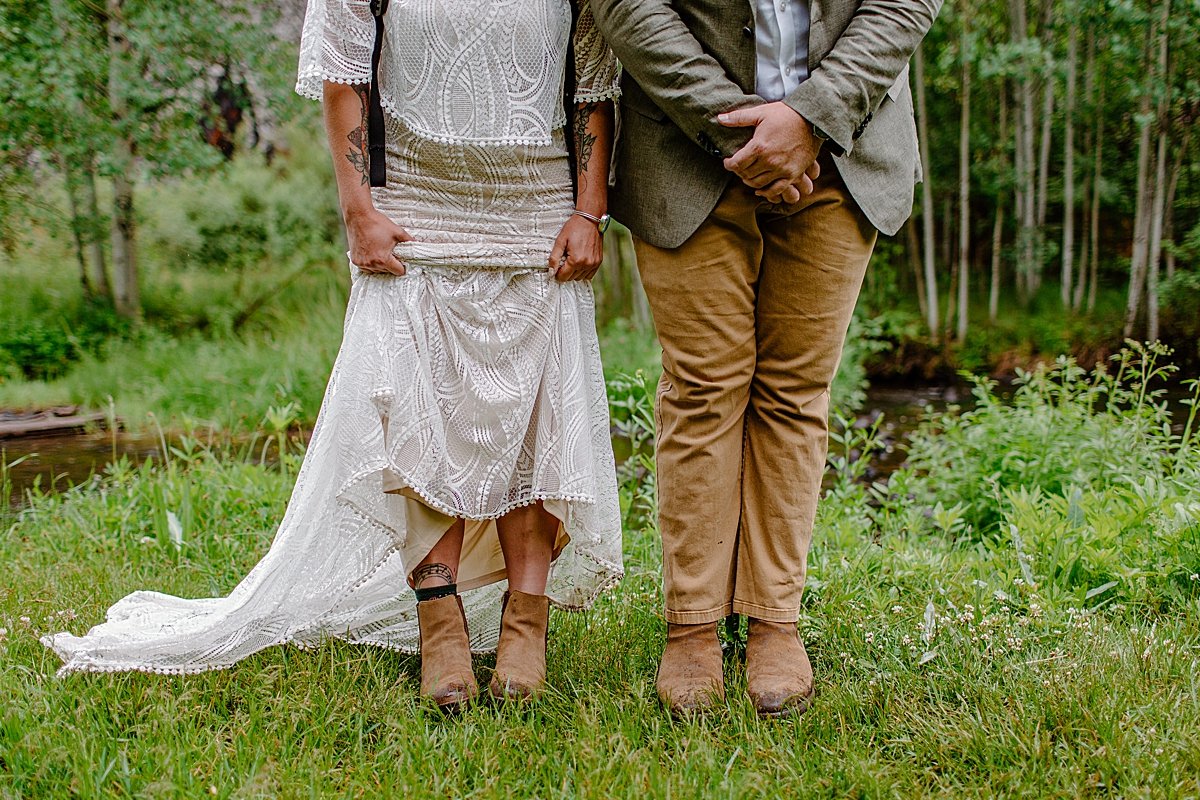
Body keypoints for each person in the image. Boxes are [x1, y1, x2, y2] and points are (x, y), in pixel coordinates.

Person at [43, 0, 624, 712]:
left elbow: (595, 83)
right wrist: (358, 211)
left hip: (536, 208)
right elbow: (342, 74)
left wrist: (588, 210)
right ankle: (439, 619)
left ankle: (524, 622)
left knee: (537, 409)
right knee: (419, 408)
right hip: (415, 207)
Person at [590, 0, 941, 717]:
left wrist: (809, 119)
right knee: (702, 389)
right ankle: (691, 622)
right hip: (685, 149)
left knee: (794, 392)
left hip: (843, 152)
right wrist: (746, 134)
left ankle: (774, 619)